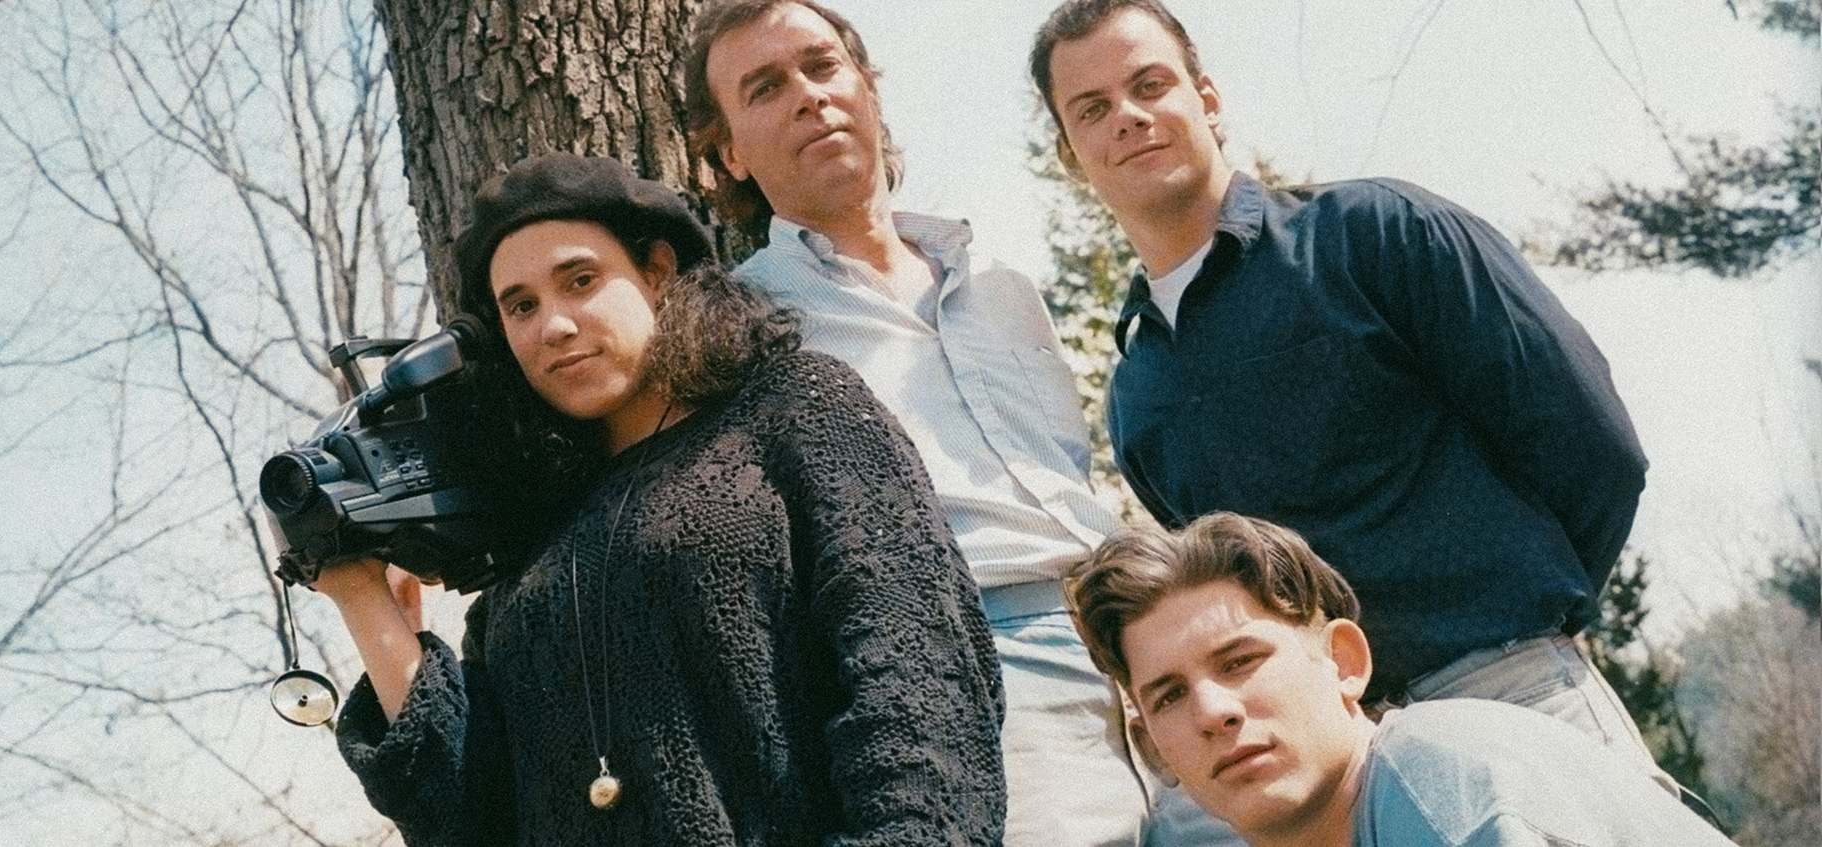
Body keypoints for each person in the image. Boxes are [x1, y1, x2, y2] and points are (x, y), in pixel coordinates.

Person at [1029, 0, 1662, 782]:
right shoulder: (1137, 395)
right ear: (1070, 151)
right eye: (1092, 109)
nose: (1127, 116)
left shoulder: (1377, 234)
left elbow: (1591, 445)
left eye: (1149, 84)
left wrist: (1528, 623)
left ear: (1209, 98)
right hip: (1341, 763)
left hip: (1520, 695)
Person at [312, 152, 1005, 846]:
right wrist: (359, 593)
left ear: (658, 270)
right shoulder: (529, 549)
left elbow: (921, 692)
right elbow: (468, 817)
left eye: (579, 280)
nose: (552, 324)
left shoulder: (796, 411)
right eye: (519, 306)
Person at [682, 3, 1241, 845]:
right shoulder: (742, 330)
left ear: (868, 89)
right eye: (766, 88)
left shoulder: (1004, 287)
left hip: (1150, 643)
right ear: (725, 152)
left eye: (823, 67)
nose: (809, 97)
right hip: (979, 672)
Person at [1064, 514, 1736, 847]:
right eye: (1169, 694)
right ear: (1154, 752)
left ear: (1345, 662)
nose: (1213, 708)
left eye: (1240, 660)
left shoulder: (1447, 797)